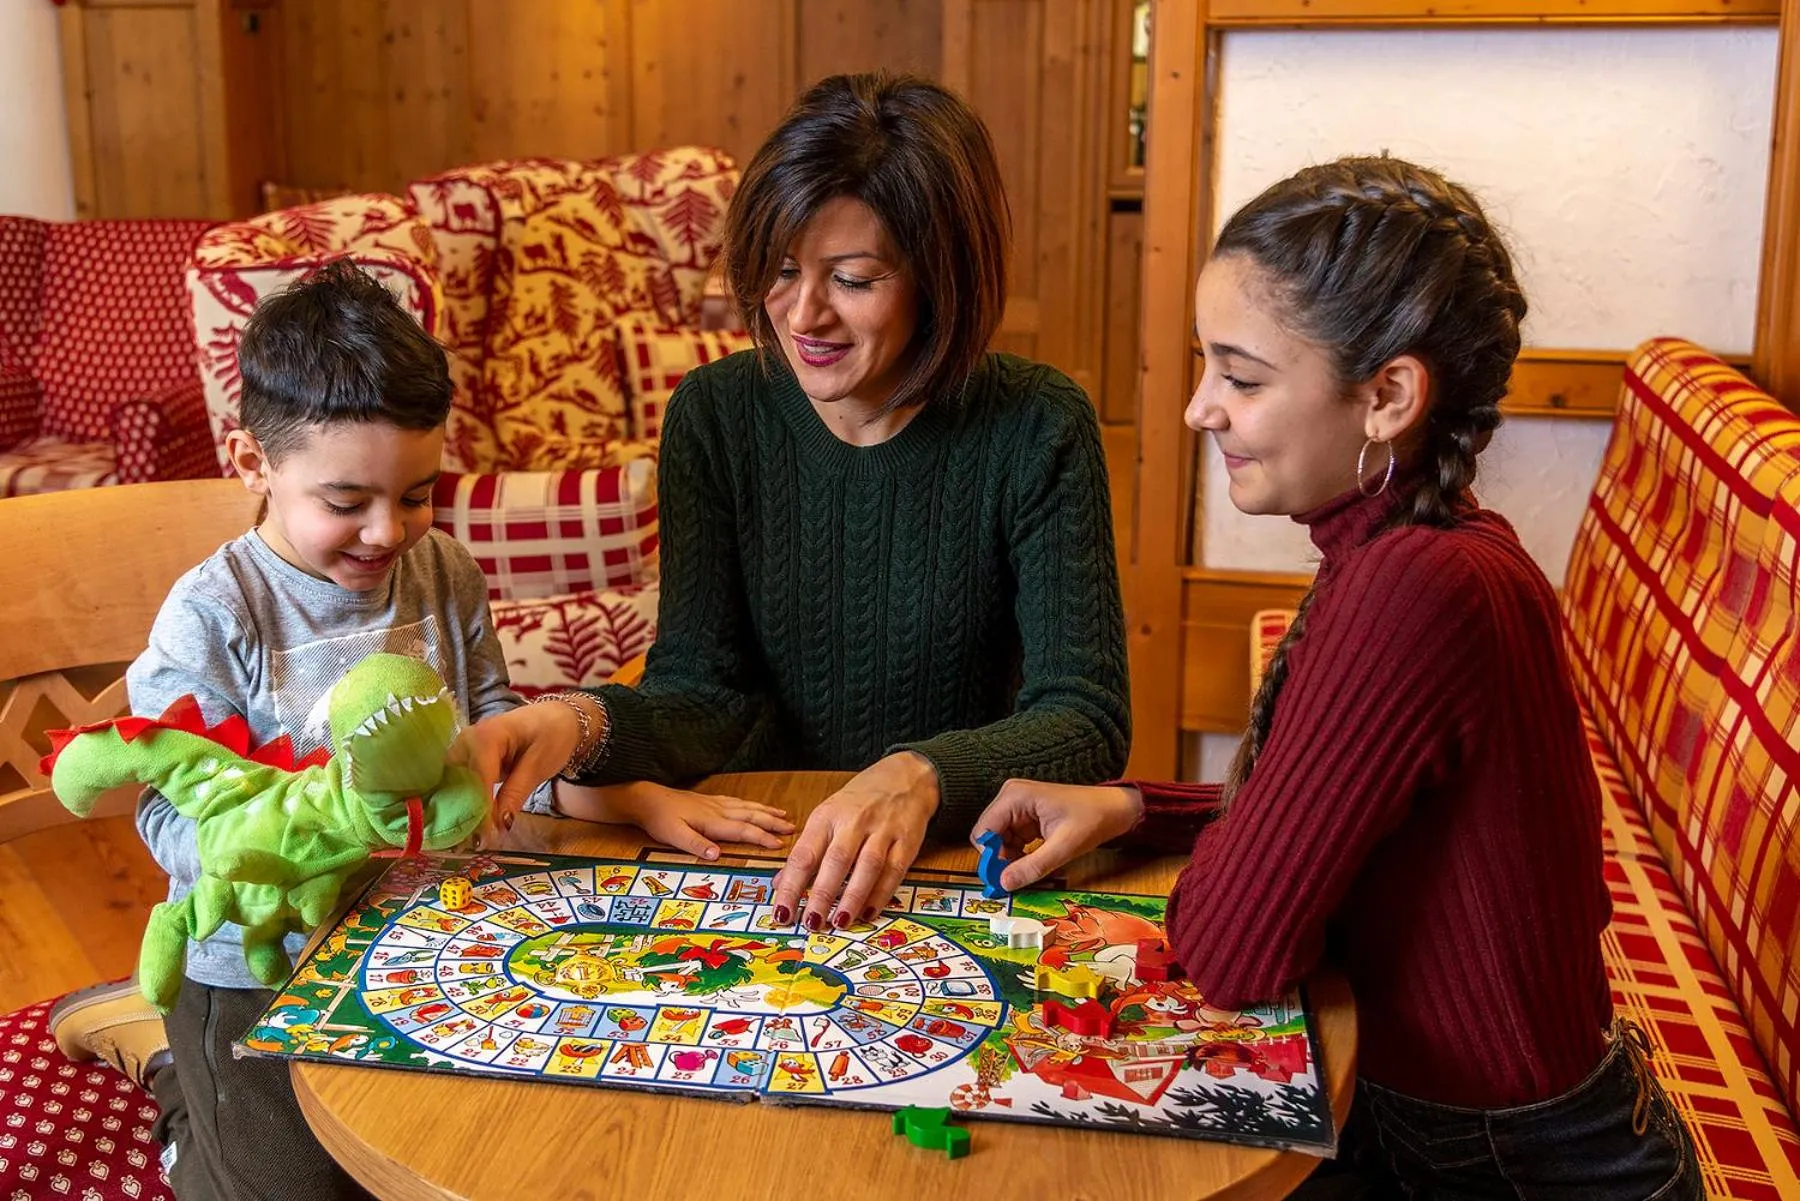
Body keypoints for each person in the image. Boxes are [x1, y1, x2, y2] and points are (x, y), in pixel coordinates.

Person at [971, 156, 1703, 1198]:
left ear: (1389, 396)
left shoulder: (1411, 587)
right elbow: (1354, 805)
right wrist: (1135, 802)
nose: (1197, 410)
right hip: (1483, 1129)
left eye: (1243, 376)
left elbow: (1231, 943)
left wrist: (1222, 841)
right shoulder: (1443, 546)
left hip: (1507, 1167)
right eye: (1202, 366)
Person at [46, 262, 788, 1200]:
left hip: (421, 937)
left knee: (483, 1153)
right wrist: (289, 841)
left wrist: (631, 795)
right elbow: (167, 808)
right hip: (254, 965)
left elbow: (488, 752)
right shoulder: (215, 612)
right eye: (345, 502)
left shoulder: (445, 572)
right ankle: (172, 1073)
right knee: (293, 1189)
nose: (387, 531)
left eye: (416, 493)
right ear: (253, 464)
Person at [458, 71, 1131, 934]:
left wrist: (916, 772)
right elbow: (706, 693)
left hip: (961, 855)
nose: (803, 313)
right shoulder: (716, 414)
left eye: (852, 279)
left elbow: (1085, 715)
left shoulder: (1038, 425)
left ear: (941, 278)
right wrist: (574, 721)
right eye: (779, 270)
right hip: (765, 849)